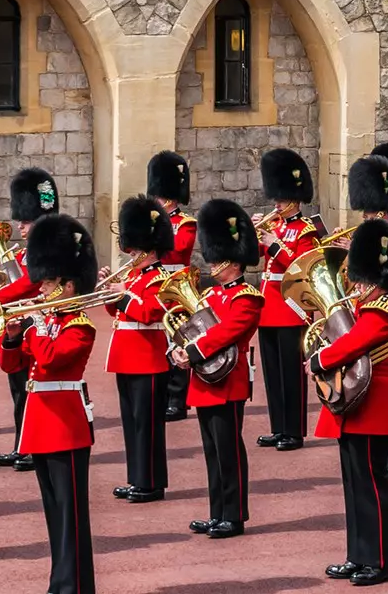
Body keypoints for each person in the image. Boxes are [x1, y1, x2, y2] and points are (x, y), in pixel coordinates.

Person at [0, 215, 100, 594]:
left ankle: (75, 585)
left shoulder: (80, 325)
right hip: (40, 421)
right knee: (53, 512)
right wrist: (12, 337)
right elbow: (13, 364)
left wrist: (35, 327)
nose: (41, 290)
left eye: (49, 283)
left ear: (68, 284)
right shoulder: (48, 323)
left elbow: (55, 358)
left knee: (71, 514)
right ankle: (60, 582)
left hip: (66, 423)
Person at [313, 219, 388, 588]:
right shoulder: (371, 306)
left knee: (371, 486)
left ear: (375, 276)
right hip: (356, 403)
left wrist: (320, 359)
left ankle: (380, 561)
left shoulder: (386, 311)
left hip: (372, 405)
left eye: (360, 279)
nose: (355, 286)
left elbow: (352, 344)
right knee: (354, 486)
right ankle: (358, 555)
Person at [176, 198, 264, 538]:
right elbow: (193, 326)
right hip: (204, 378)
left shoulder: (247, 297)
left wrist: (193, 350)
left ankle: (235, 514)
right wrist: (179, 349)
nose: (212, 263)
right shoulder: (211, 296)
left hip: (228, 378)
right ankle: (217, 512)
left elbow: (226, 333)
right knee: (211, 450)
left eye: (218, 258)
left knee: (229, 450)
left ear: (234, 261)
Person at [348, 152, 388, 480]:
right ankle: (385, 456)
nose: (366, 215)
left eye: (370, 210)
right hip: (371, 308)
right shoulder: (375, 233)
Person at [107, 196, 174, 503]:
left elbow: (149, 313)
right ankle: (136, 477)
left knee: (147, 426)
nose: (130, 254)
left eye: (135, 249)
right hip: (126, 356)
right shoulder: (133, 277)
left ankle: (150, 482)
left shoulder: (161, 279)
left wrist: (122, 296)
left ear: (148, 249)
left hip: (148, 358)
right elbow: (118, 314)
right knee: (132, 423)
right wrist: (110, 294)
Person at [0, 166, 59, 471]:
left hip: (36, 325)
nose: (20, 225)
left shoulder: (47, 248)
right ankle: (22, 443)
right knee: (18, 391)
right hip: (17, 326)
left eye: (26, 220)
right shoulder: (25, 251)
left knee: (29, 390)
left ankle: (31, 446)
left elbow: (31, 282)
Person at [256, 147, 319, 451]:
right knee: (272, 372)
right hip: (268, 307)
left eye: (280, 199)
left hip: (291, 307)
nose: (276, 204)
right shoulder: (275, 226)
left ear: (294, 199)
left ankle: (294, 431)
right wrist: (252, 235)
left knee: (291, 373)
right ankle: (278, 427)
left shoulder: (305, 230)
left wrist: (275, 245)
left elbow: (299, 265)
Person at [147, 151, 198, 421]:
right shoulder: (155, 223)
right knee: (159, 338)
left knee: (178, 338)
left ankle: (178, 401)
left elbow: (178, 249)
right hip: (156, 284)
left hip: (177, 285)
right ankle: (164, 394)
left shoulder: (185, 223)